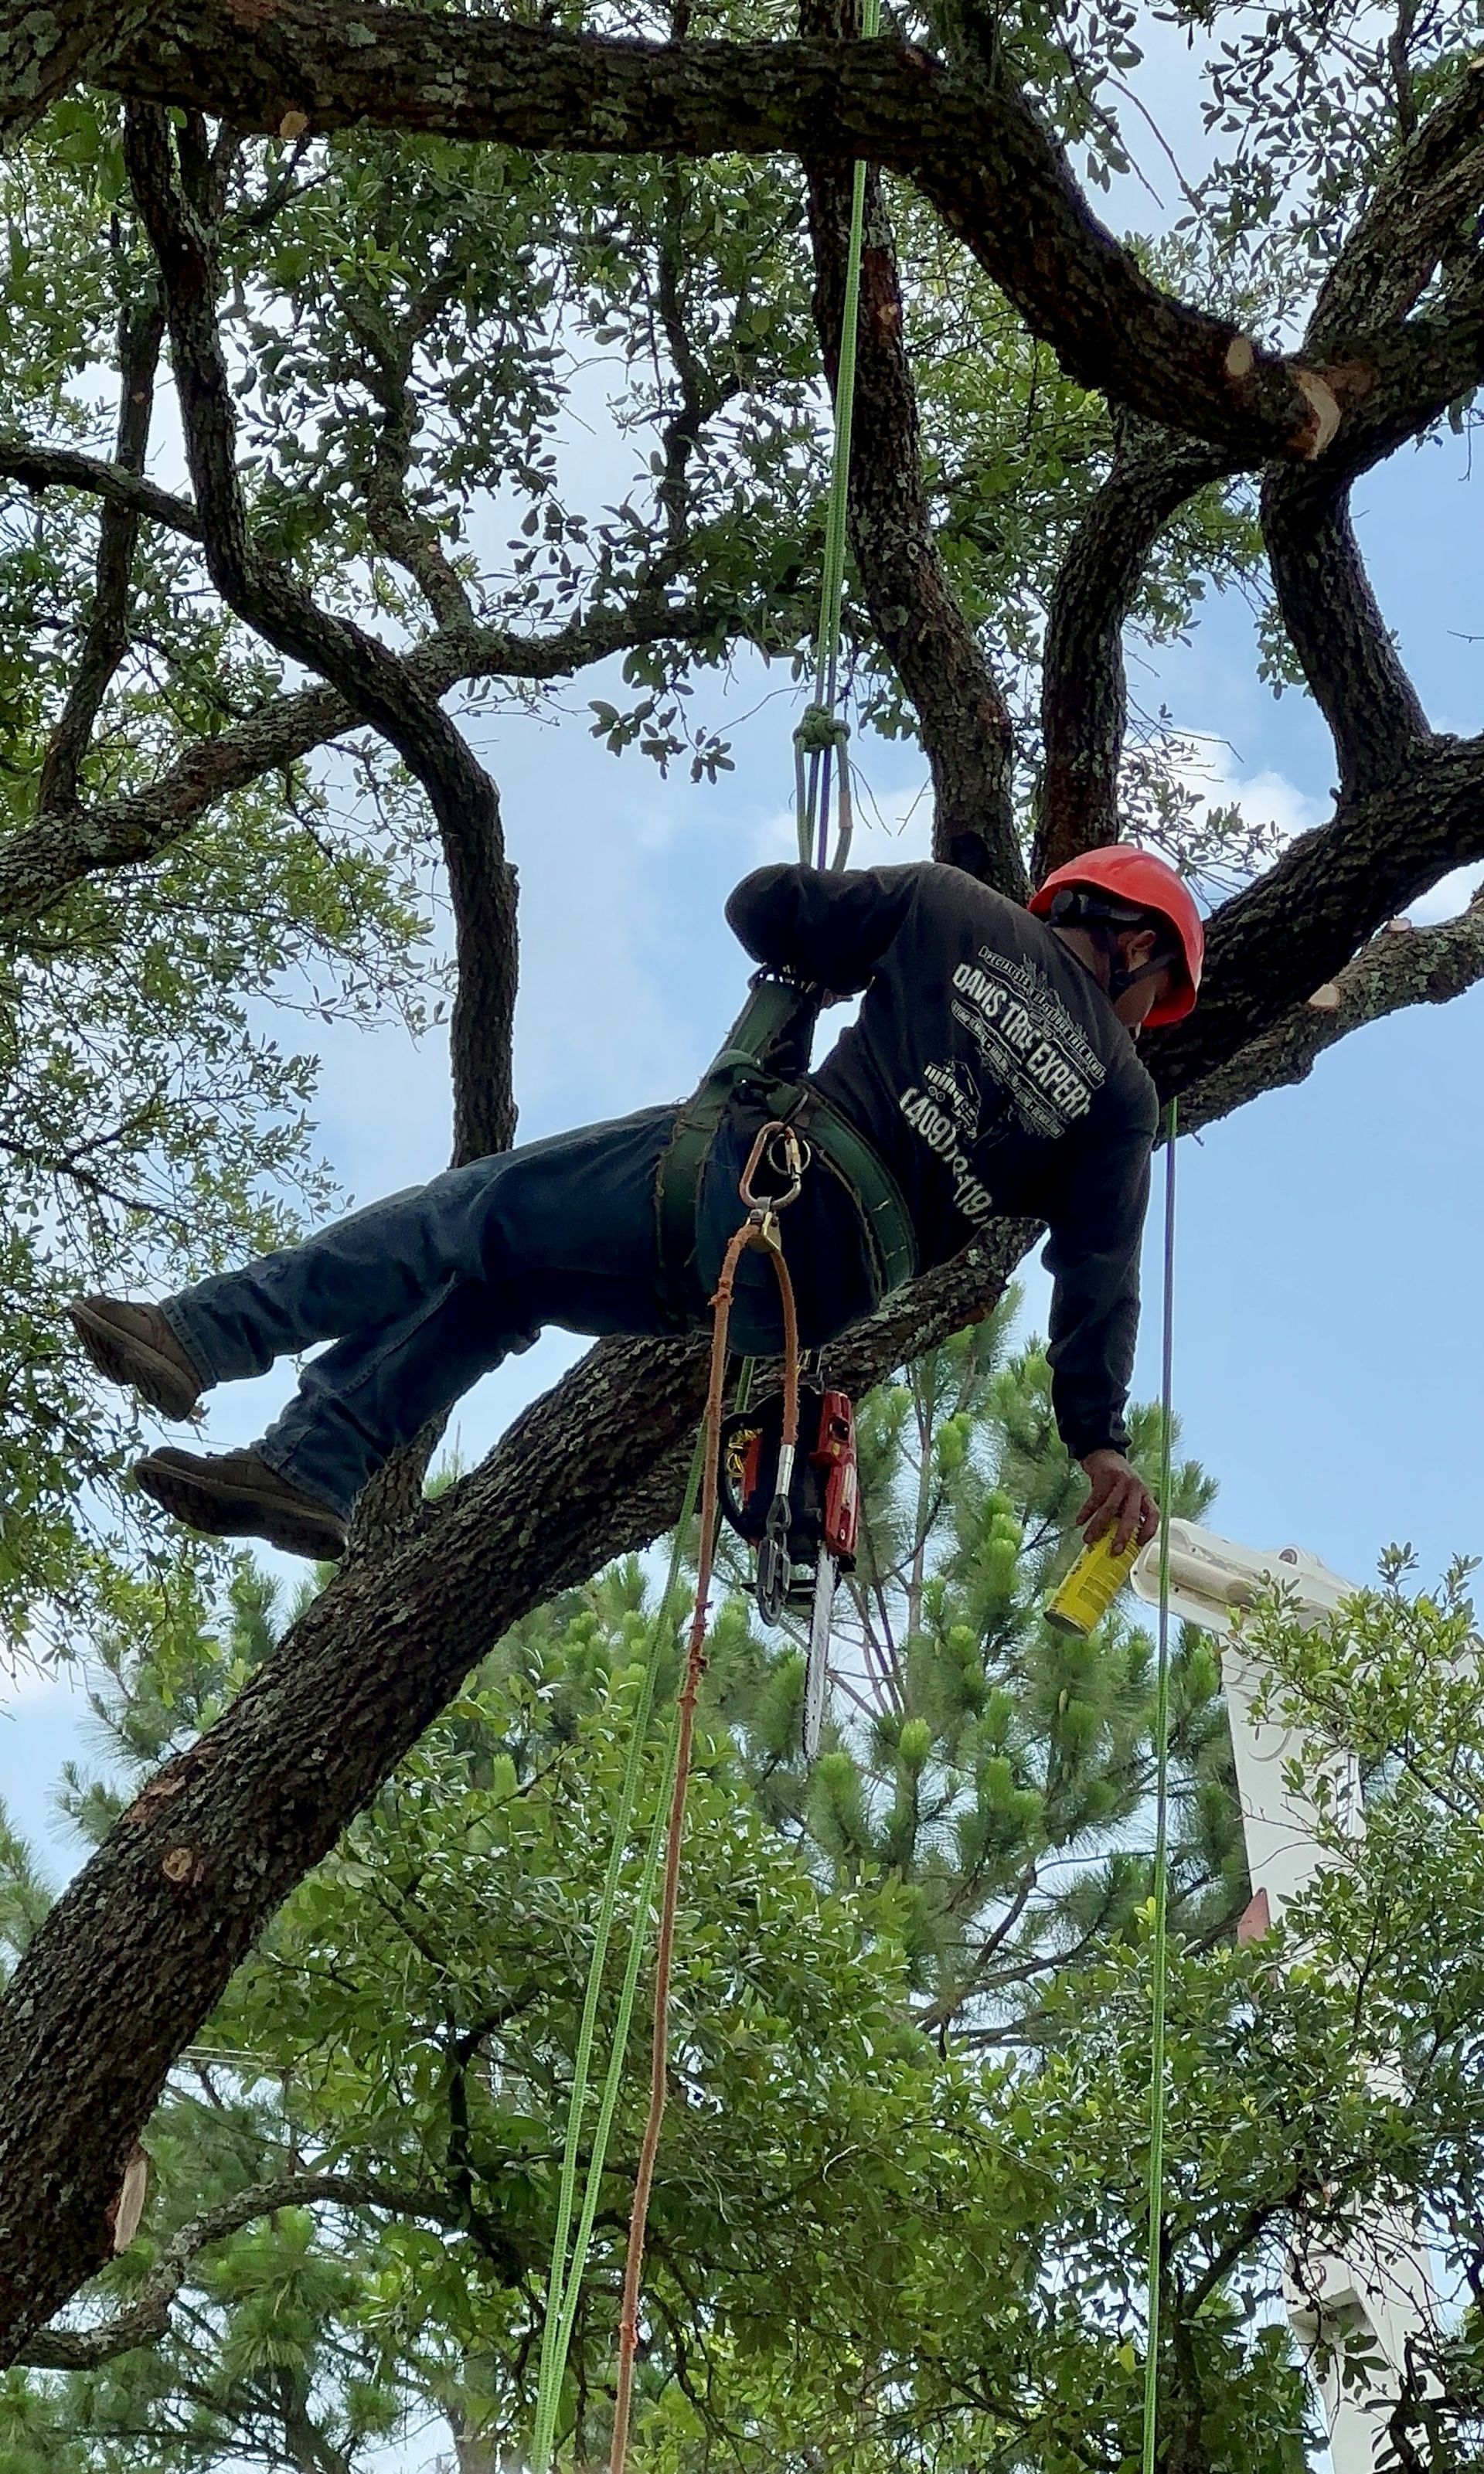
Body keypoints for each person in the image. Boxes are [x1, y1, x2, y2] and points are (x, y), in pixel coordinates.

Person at [70, 847, 1203, 1563]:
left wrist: (832, 941)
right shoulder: (1120, 1099)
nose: (1142, 1019)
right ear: (1139, 943)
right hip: (803, 1298)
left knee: (468, 1215)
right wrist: (1098, 1443)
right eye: (1155, 996)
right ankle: (313, 1467)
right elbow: (1098, 1278)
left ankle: (203, 1332)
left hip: (750, 1180)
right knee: (504, 1283)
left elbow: (763, 906)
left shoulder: (954, 908)